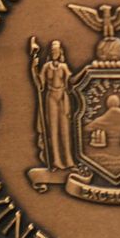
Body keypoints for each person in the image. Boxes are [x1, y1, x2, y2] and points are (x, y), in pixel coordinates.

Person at [30, 37, 75, 170]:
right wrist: (33, 67)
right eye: (52, 50)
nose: (54, 52)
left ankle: (69, 161)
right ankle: (56, 161)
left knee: (65, 130)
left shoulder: (64, 67)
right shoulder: (46, 67)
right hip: (51, 98)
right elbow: (40, 84)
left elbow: (72, 82)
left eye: (56, 50)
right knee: (53, 130)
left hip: (62, 97)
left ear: (60, 52)